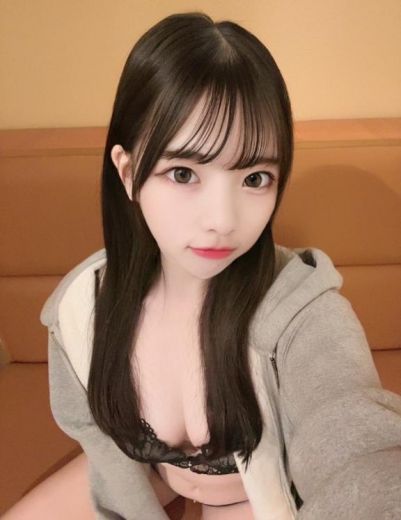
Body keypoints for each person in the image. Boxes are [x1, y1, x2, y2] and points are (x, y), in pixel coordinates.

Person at [4, 11, 401, 520]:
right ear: (128, 172)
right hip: (146, 479)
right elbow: (104, 449)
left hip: (254, 493)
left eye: (254, 178)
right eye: (183, 173)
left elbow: (352, 439)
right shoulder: (82, 310)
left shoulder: (304, 315)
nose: (222, 221)